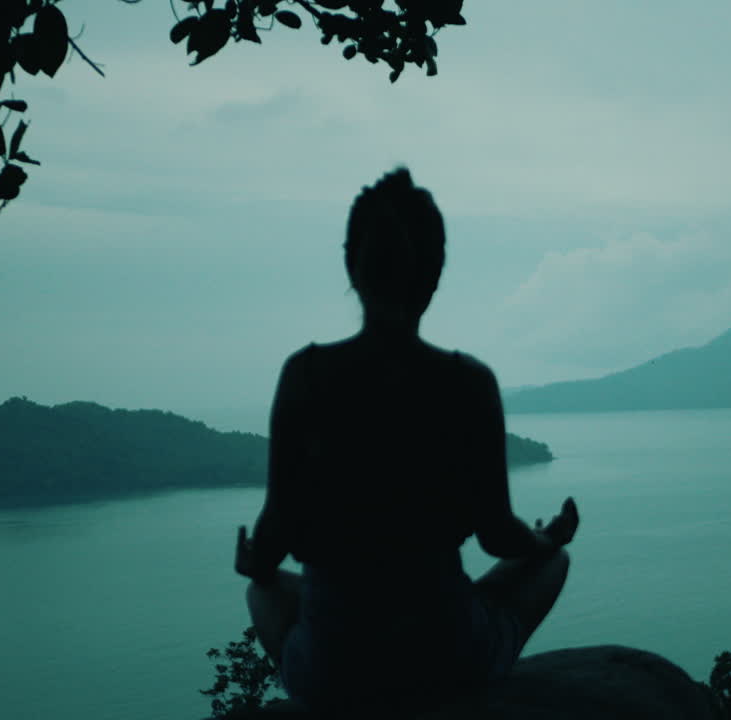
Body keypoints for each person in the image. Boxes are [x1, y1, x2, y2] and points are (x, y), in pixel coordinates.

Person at [232, 167, 579, 715]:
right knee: (553, 563)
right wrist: (545, 538)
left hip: (336, 669)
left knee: (263, 590)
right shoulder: (468, 383)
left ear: (352, 265)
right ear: (435, 273)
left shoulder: (306, 375)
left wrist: (254, 560)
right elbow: (499, 538)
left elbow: (269, 546)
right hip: (445, 655)